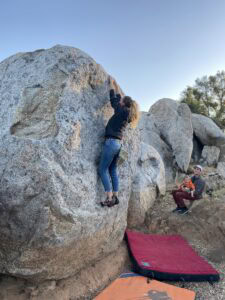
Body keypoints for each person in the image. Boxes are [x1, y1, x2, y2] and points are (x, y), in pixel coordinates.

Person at [98, 80, 139, 207]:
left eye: (121, 102)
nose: (119, 103)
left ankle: (109, 198)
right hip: (118, 145)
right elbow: (118, 102)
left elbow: (113, 102)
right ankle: (116, 196)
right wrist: (120, 97)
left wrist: (112, 90)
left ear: (123, 104)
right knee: (113, 169)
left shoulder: (121, 111)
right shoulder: (128, 113)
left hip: (111, 143)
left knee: (102, 169)